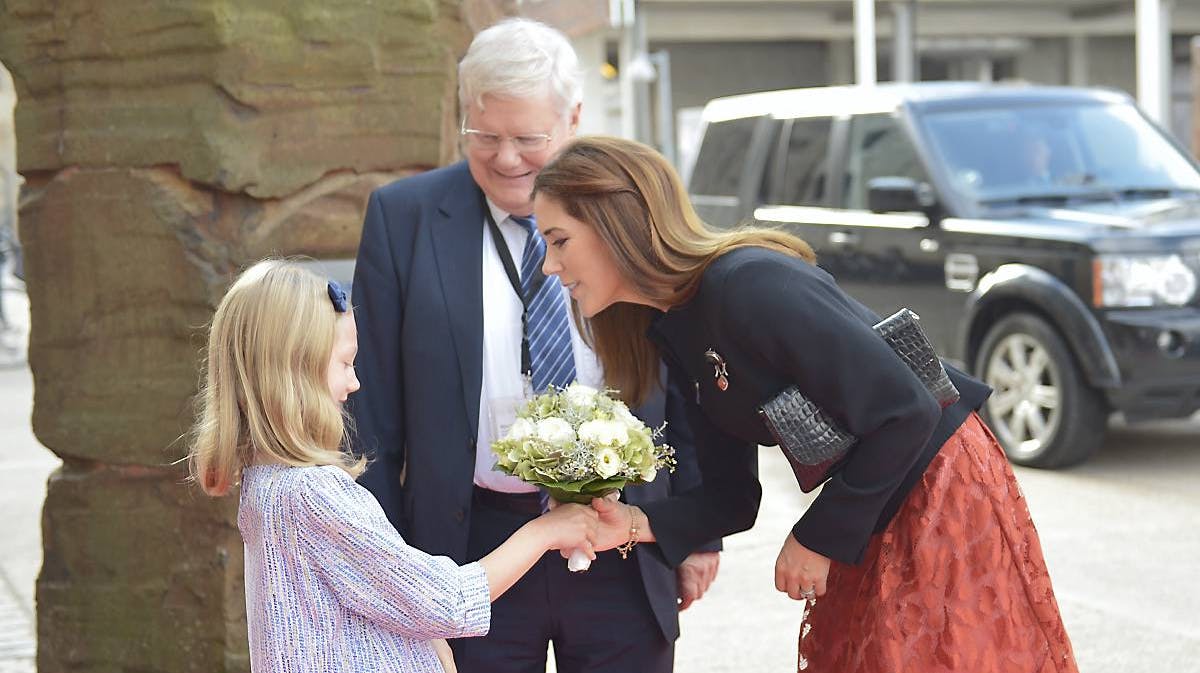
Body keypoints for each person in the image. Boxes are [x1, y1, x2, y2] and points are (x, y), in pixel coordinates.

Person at [531, 136, 1080, 673]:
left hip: (935, 479)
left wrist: (816, 538)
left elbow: (906, 410)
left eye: (559, 241)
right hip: (870, 491)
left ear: (614, 224)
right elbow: (730, 498)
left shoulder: (749, 281)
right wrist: (629, 521)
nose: (549, 267)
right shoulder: (674, 326)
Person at [349, 18, 721, 673]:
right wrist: (393, 563)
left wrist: (694, 529)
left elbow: (686, 375)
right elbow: (369, 405)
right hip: (469, 547)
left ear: (574, 117)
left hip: (622, 538)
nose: (506, 157)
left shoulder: (630, 207)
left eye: (527, 138)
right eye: (484, 136)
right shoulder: (404, 218)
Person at [187, 259, 601, 673]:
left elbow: (381, 593)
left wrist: (425, 631)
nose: (355, 382)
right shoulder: (312, 494)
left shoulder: (267, 484)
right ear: (297, 369)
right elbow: (447, 600)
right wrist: (545, 531)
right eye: (345, 363)